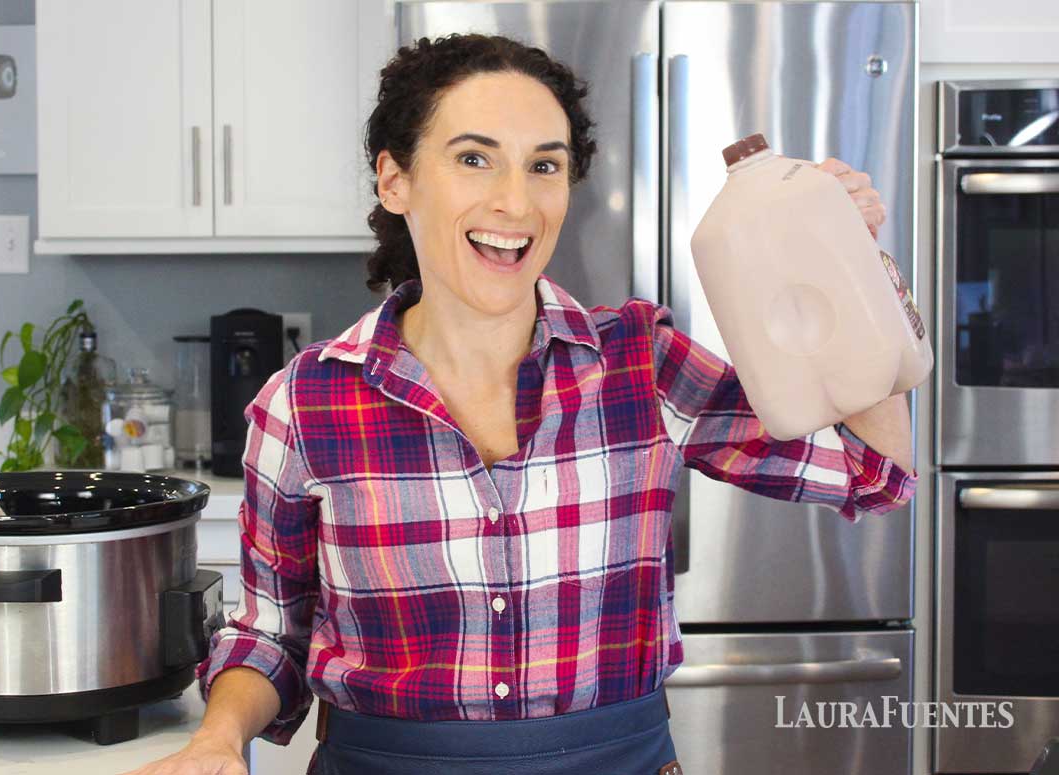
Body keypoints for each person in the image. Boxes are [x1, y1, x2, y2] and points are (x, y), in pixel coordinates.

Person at [125, 33, 916, 775]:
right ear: (395, 179)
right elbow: (270, 633)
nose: (515, 202)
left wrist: (854, 264)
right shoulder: (303, 406)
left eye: (544, 165)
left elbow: (874, 473)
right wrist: (217, 737)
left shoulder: (642, 362)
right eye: (475, 159)